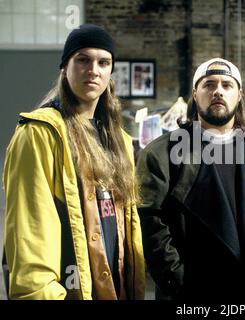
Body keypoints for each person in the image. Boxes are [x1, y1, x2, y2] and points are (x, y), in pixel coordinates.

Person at [136, 58, 245, 300]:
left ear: (239, 95)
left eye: (227, 85)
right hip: (193, 292)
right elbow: (150, 220)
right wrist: (176, 279)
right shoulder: (161, 152)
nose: (218, 91)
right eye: (209, 85)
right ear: (195, 94)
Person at [2, 24, 145, 300]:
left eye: (104, 62)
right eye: (83, 60)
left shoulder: (120, 140)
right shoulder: (39, 134)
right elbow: (29, 230)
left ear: (110, 73)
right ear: (64, 68)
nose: (94, 69)